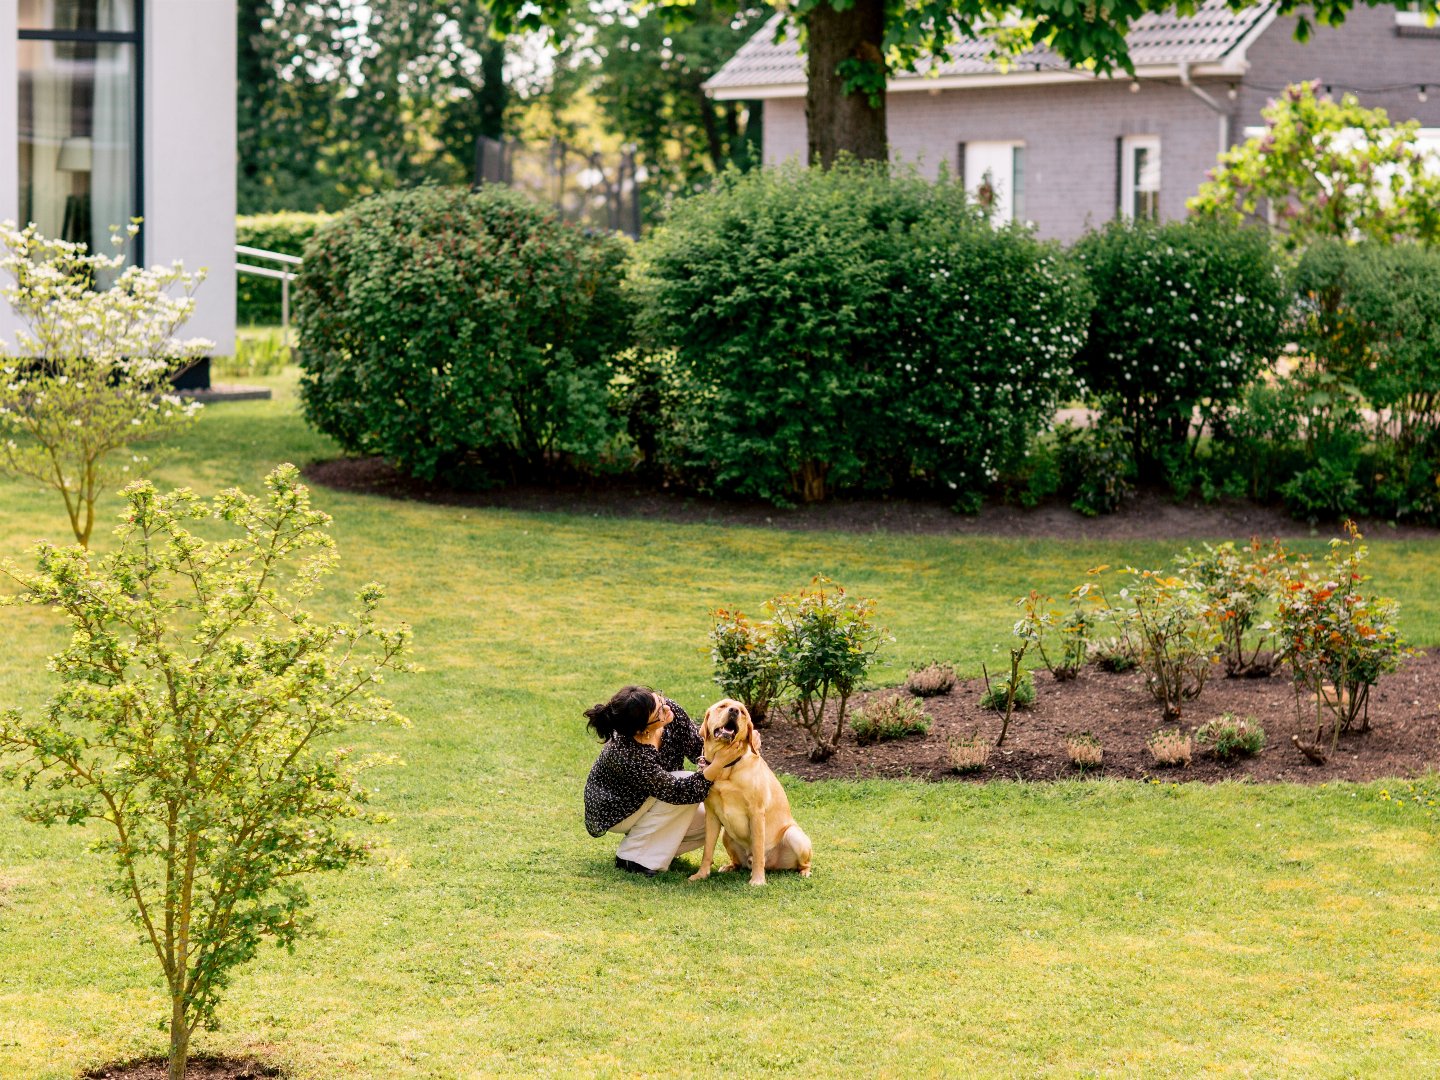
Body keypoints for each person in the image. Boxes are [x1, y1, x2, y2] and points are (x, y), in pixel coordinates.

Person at [582, 685, 738, 877]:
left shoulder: (670, 712)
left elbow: (698, 748)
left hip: (656, 796)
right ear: (642, 730)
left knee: (714, 816)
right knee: (687, 780)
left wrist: (736, 739)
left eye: (661, 700)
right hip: (618, 809)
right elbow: (681, 792)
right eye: (659, 712)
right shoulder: (627, 753)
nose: (667, 708)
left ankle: (652, 852)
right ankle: (633, 857)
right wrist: (719, 763)